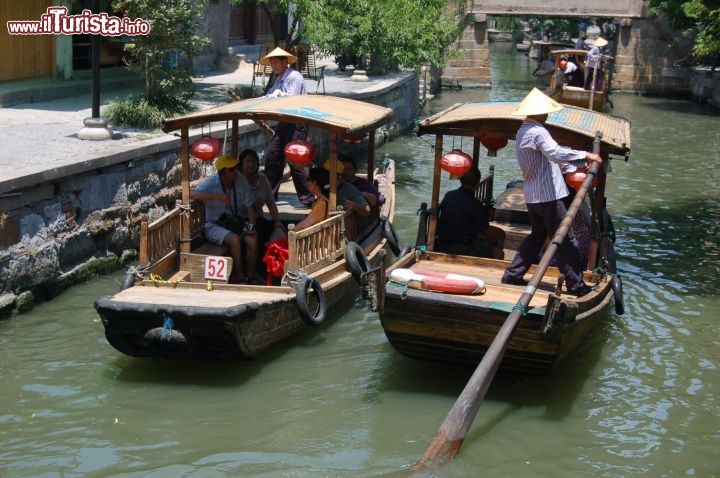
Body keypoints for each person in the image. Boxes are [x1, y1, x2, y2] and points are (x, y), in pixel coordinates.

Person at [501, 88, 602, 297]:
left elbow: (551, 161)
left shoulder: (523, 131)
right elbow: (555, 153)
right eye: (545, 112)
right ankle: (576, 286)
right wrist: (586, 154)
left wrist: (579, 162)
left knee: (537, 236)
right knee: (564, 239)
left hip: (533, 195)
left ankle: (513, 274)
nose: (547, 115)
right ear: (539, 113)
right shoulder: (538, 132)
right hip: (547, 196)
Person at [190, 155, 260, 284]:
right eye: (231, 169)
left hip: (234, 221)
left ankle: (250, 275)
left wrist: (252, 226)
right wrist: (217, 196)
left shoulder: (241, 180)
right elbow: (191, 193)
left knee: (252, 239)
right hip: (213, 225)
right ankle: (239, 276)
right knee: (234, 239)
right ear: (222, 172)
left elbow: (249, 207)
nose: (236, 172)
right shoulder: (212, 183)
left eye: (236, 168)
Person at [260, 47, 313, 206]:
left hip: (297, 122)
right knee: (272, 155)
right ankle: (270, 196)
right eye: (272, 63)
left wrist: (279, 96)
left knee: (295, 159)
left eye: (276, 62)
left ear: (285, 62)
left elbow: (292, 101)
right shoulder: (278, 78)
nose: (274, 66)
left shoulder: (294, 77)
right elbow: (270, 95)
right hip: (284, 122)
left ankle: (308, 198)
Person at [436, 167, 498, 258]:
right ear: (477, 184)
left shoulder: (448, 195)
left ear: (461, 181)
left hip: (442, 243)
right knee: (499, 253)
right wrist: (496, 244)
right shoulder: (476, 205)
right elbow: (486, 231)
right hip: (463, 247)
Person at [238, 148, 286, 249]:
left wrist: (277, 220)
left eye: (253, 161)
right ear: (241, 164)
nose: (250, 164)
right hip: (241, 221)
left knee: (279, 232)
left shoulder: (263, 179)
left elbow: (271, 203)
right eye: (247, 161)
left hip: (259, 219)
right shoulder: (237, 181)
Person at [295, 167, 330, 231]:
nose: (307, 182)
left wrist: (291, 231)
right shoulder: (320, 200)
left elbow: (303, 225)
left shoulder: (322, 203)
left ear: (314, 182)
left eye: (308, 179)